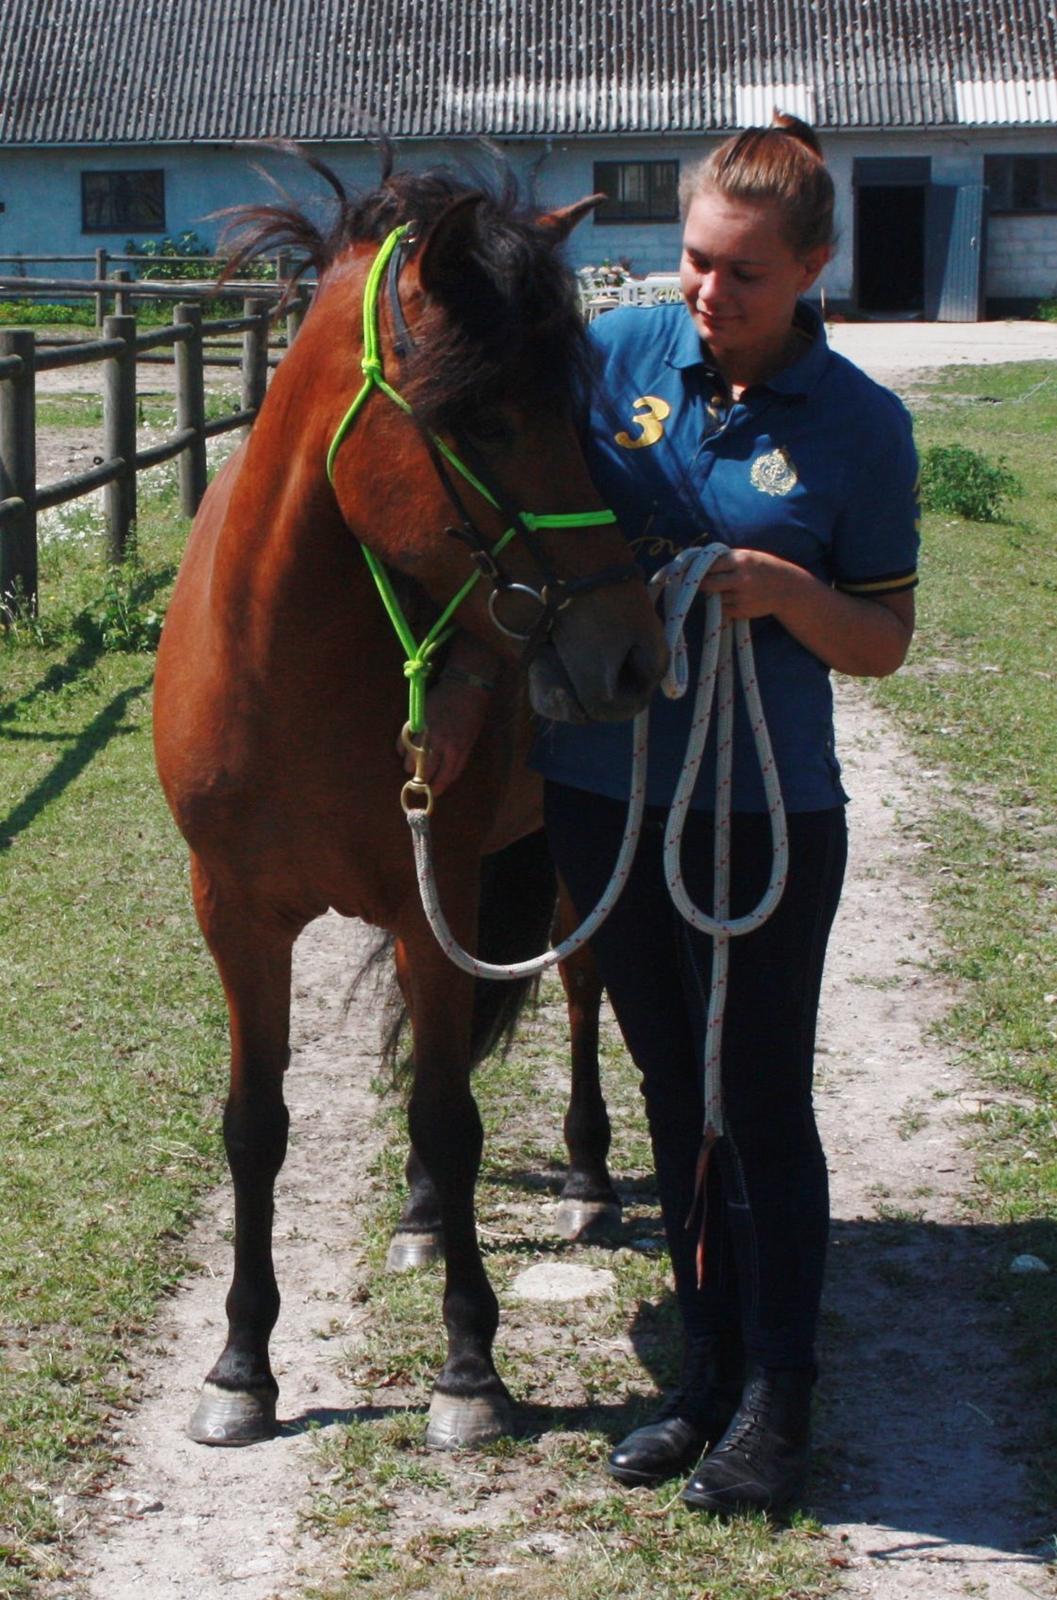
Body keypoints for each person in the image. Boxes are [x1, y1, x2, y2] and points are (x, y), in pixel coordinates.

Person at [406, 114, 919, 1515]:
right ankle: (703, 1374)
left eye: (746, 274)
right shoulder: (615, 364)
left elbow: (882, 640)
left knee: (758, 1100)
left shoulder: (862, 429)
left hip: (764, 816)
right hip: (602, 799)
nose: (710, 293)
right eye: (696, 262)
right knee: (670, 1095)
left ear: (813, 266)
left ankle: (777, 1392)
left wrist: (787, 596)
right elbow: (508, 516)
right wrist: (454, 685)